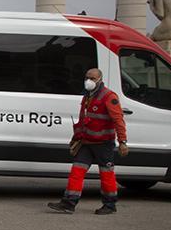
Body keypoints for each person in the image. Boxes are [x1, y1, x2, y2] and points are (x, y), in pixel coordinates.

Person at [48, 68, 129, 215]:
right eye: (87, 78)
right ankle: (69, 203)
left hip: (103, 144)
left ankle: (110, 205)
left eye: (92, 78)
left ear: (100, 79)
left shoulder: (109, 96)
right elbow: (83, 120)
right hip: (87, 142)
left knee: (106, 175)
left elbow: (118, 120)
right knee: (76, 172)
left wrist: (122, 141)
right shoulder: (87, 96)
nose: (88, 81)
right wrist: (77, 137)